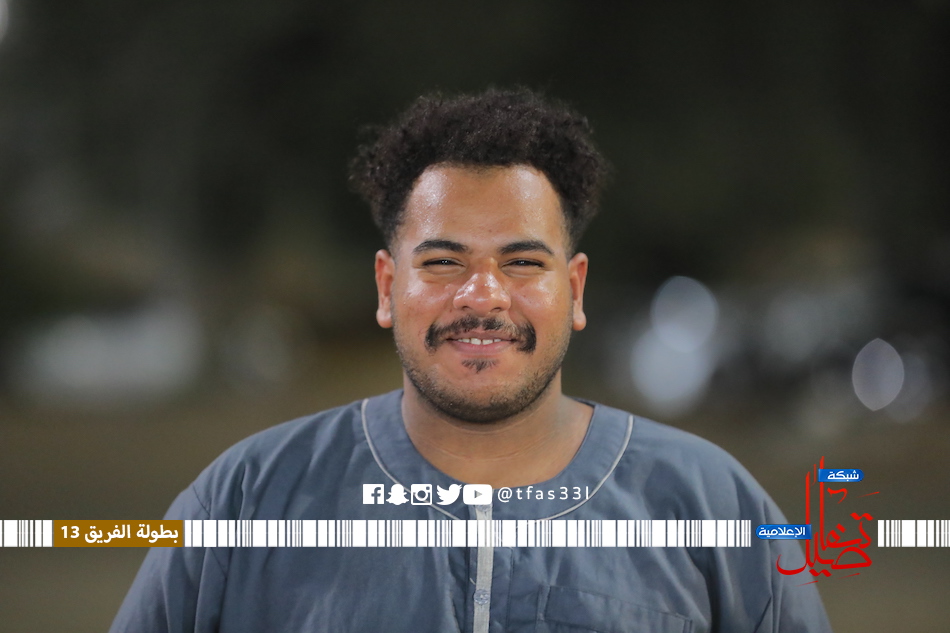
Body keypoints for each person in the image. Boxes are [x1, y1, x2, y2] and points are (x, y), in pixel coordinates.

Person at [111, 88, 832, 632]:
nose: (483, 295)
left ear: (574, 290)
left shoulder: (713, 508)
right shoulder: (246, 501)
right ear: (387, 287)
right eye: (443, 261)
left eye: (522, 261)